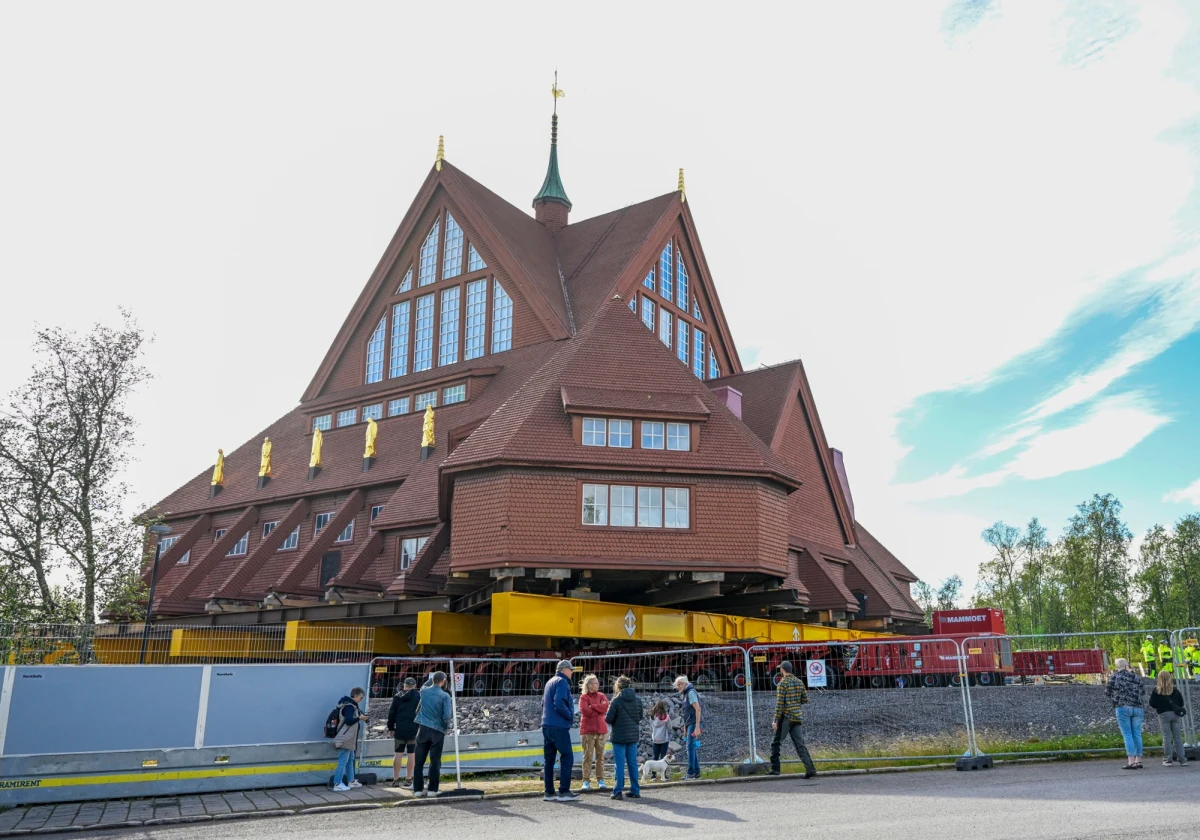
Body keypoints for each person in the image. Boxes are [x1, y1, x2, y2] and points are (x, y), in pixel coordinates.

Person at [768, 661, 817, 778]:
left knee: (776, 743)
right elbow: (805, 699)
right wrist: (795, 703)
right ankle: (810, 769)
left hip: (786, 718)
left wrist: (775, 720)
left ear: (782, 670)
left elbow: (779, 704)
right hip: (797, 717)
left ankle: (775, 769)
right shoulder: (799, 682)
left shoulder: (782, 684)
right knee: (800, 745)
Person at [542, 660, 580, 802]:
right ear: (564, 670)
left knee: (549, 760)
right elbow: (559, 702)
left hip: (547, 725)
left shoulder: (549, 682)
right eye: (571, 670)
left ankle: (549, 792)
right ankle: (564, 791)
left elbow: (543, 702)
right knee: (567, 756)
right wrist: (569, 714)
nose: (572, 673)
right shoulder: (562, 682)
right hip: (559, 726)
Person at [412, 671, 453, 798]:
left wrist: (433, 679)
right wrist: (446, 727)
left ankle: (417, 790)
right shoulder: (445, 696)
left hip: (423, 729)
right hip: (437, 731)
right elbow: (446, 716)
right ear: (443, 681)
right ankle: (432, 790)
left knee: (419, 761)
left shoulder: (423, 691)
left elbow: (426, 684)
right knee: (435, 761)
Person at [604, 675, 641, 800]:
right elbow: (640, 716)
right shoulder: (637, 699)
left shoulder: (616, 700)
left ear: (618, 686)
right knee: (632, 763)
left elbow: (608, 719)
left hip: (619, 736)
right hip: (633, 736)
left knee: (619, 765)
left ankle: (618, 791)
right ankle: (635, 790)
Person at [1105, 658, 1146, 770]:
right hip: (1137, 707)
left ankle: (1131, 761)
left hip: (1122, 707)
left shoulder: (1114, 677)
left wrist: (1117, 697)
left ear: (1117, 666)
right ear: (1127, 665)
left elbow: (1107, 692)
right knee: (1137, 733)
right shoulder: (1135, 676)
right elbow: (1143, 691)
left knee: (1127, 734)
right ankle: (1139, 760)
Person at [332, 687, 368, 792]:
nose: (361, 700)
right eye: (361, 698)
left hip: (349, 738)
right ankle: (337, 783)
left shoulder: (350, 705)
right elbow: (348, 721)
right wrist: (359, 718)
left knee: (350, 759)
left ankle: (351, 781)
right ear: (356, 696)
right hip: (346, 738)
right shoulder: (349, 707)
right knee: (343, 760)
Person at [386, 677, 420, 788]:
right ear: (414, 686)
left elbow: (392, 713)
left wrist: (391, 727)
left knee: (398, 754)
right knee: (411, 754)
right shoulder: (418, 696)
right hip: (413, 729)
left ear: (404, 686)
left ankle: (395, 780)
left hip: (400, 729)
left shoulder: (397, 696)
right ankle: (408, 779)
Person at [1149, 671, 1187, 766]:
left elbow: (1152, 703)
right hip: (1175, 715)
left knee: (1167, 737)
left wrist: (1161, 706)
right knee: (1178, 737)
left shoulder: (1157, 691)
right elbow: (1181, 703)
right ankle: (1182, 760)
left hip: (1163, 714)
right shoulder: (1175, 690)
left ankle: (1168, 760)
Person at [578, 674, 609, 790]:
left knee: (600, 757)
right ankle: (586, 781)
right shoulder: (583, 697)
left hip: (601, 730)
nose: (598, 685)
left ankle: (600, 779)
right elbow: (586, 712)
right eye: (596, 683)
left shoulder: (601, 695)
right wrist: (598, 708)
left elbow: (605, 707)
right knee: (587, 756)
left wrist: (593, 706)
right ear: (589, 685)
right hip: (588, 731)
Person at [673, 675, 702, 779]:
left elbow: (698, 709)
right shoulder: (686, 694)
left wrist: (697, 726)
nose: (678, 687)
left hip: (694, 723)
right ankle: (696, 772)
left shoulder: (690, 693)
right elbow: (686, 712)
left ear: (684, 683)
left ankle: (691, 773)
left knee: (689, 747)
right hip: (691, 723)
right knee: (692, 747)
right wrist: (685, 727)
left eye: (678, 685)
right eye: (677, 686)